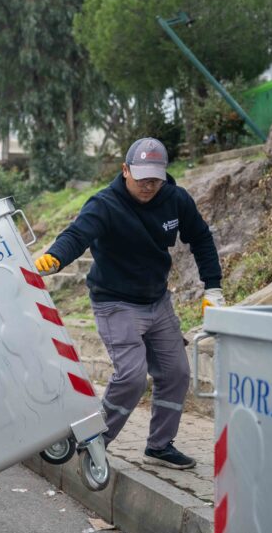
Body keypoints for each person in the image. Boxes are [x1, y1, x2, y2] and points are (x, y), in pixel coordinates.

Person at [35, 137, 223, 470]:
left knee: (177, 373)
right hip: (116, 301)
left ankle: (160, 445)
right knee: (133, 376)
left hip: (157, 301)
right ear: (125, 170)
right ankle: (95, 442)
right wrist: (54, 257)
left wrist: (213, 287)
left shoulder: (175, 200)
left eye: (155, 178)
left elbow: (202, 238)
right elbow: (77, 235)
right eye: (141, 178)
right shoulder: (105, 204)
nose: (149, 186)